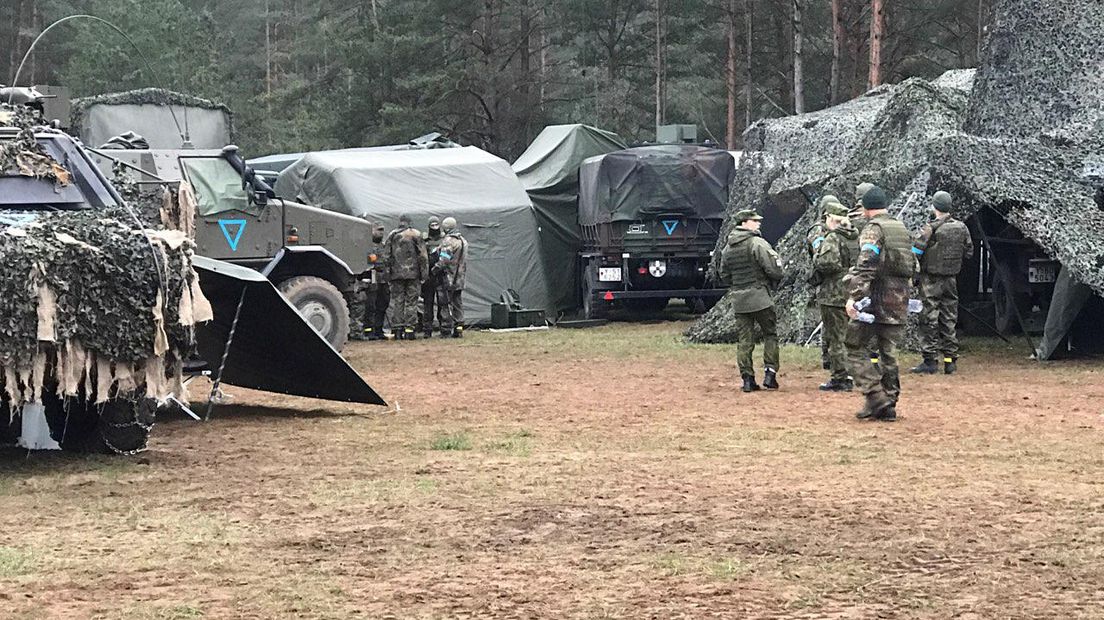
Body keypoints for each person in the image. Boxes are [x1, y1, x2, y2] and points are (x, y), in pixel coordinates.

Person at [845, 186, 918, 421]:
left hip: (875, 298)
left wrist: (854, 298)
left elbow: (866, 265)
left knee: (854, 346)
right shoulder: (901, 228)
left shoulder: (873, 229)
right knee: (889, 352)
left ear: (866, 207)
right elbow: (914, 265)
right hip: (899, 297)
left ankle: (875, 396)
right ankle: (890, 403)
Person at [718, 209, 784, 393]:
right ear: (744, 223)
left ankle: (747, 379)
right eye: (754, 221)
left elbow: (724, 274)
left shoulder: (728, 249)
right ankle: (770, 374)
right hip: (760, 297)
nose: (758, 223)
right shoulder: (757, 243)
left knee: (744, 340)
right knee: (770, 334)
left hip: (739, 300)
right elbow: (775, 269)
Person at [910, 191, 974, 375]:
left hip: (931, 279)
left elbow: (916, 252)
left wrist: (915, 274)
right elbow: (969, 252)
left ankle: (930, 360)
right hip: (951, 279)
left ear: (934, 206)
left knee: (928, 318)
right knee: (949, 318)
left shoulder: (930, 228)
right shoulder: (961, 227)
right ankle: (950, 360)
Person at [813, 200, 859, 391]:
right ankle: (854, 372)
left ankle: (841, 377)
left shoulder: (833, 238)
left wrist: (817, 254)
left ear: (830, 218)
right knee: (851, 335)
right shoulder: (856, 236)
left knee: (835, 338)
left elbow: (827, 263)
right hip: (853, 289)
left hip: (833, 293)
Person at [383, 214, 428, 340]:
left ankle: (397, 330)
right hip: (413, 274)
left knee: (398, 301)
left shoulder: (392, 235)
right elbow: (423, 256)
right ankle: (410, 330)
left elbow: (386, 256)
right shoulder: (416, 234)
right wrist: (424, 274)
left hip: (396, 275)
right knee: (411, 302)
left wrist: (387, 274)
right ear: (410, 221)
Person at [433, 217, 468, 338]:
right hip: (460, 278)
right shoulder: (463, 240)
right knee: (458, 303)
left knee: (445, 304)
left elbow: (444, 260)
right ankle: (459, 328)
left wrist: (434, 269)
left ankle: (446, 329)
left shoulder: (448, 241)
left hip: (447, 278)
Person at [362, 223, 390, 341]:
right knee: (370, 306)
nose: (381, 233)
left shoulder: (384, 247)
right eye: (378, 230)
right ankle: (369, 330)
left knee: (382, 304)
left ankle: (379, 329)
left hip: (383, 280)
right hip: (371, 280)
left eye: (382, 230)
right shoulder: (366, 246)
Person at [420, 216, 445, 337]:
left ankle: (443, 327)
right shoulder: (424, 240)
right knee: (428, 304)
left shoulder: (444, 239)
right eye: (432, 225)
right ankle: (427, 329)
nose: (435, 227)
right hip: (429, 276)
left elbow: (447, 256)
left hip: (441, 276)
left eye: (436, 225)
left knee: (442, 303)